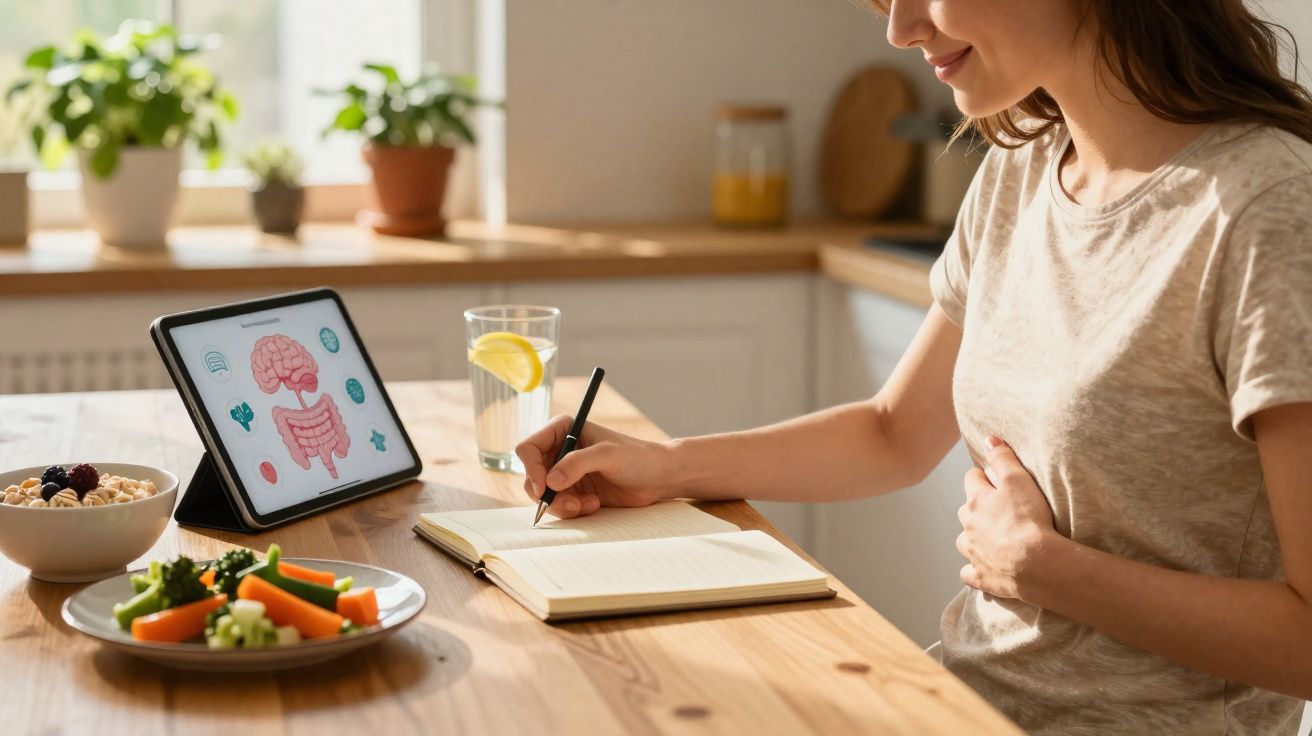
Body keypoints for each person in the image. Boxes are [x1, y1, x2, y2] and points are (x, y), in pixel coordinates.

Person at [516, 1, 1312, 732]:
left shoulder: (1269, 212)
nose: (900, 29)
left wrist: (1047, 571)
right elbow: (892, 433)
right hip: (955, 706)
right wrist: (667, 467)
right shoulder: (1023, 167)